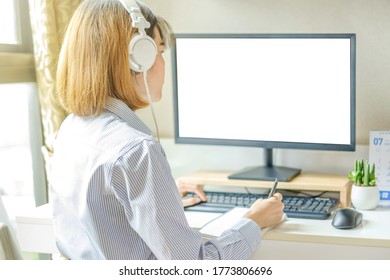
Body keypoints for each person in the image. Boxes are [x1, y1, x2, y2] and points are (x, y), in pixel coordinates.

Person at [51, 0, 285, 260]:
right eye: (159, 50)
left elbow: (104, 215)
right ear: (139, 58)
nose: (163, 62)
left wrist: (160, 196)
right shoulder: (136, 151)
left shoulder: (72, 128)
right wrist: (254, 220)